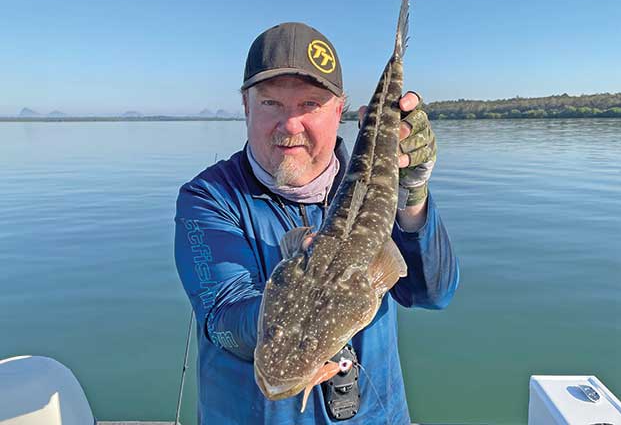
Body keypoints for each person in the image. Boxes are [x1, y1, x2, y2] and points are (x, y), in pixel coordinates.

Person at [175, 21, 459, 425]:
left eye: (310, 104)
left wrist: (411, 198)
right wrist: (292, 319)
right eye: (271, 103)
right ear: (246, 106)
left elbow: (433, 294)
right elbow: (222, 320)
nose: (290, 125)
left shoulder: (375, 190)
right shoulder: (209, 198)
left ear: (339, 109)